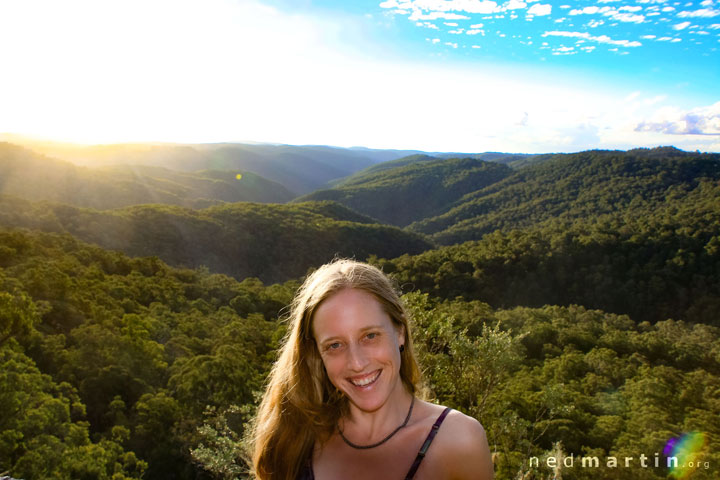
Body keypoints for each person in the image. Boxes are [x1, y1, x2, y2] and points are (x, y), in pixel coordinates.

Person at [250, 259, 493, 480]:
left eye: (370, 336)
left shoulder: (458, 441)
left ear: (399, 332)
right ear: (317, 354)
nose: (356, 363)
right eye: (335, 345)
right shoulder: (294, 441)